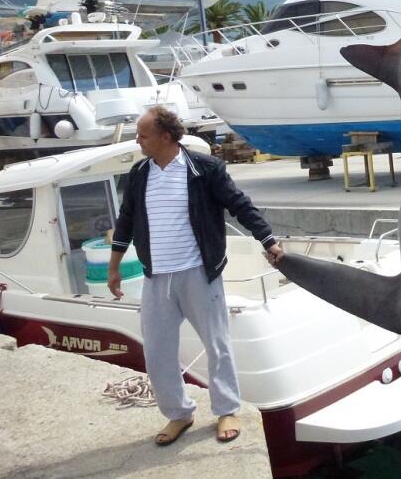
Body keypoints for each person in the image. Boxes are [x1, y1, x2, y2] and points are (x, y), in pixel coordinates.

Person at [108, 106, 284, 446]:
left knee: (217, 346)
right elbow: (126, 220)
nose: (138, 140)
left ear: (165, 137)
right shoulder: (139, 174)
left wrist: (268, 240)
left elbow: (240, 205)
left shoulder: (205, 169)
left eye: (143, 135)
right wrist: (114, 266)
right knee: (157, 352)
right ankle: (179, 414)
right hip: (156, 277)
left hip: (198, 275)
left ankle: (226, 409)